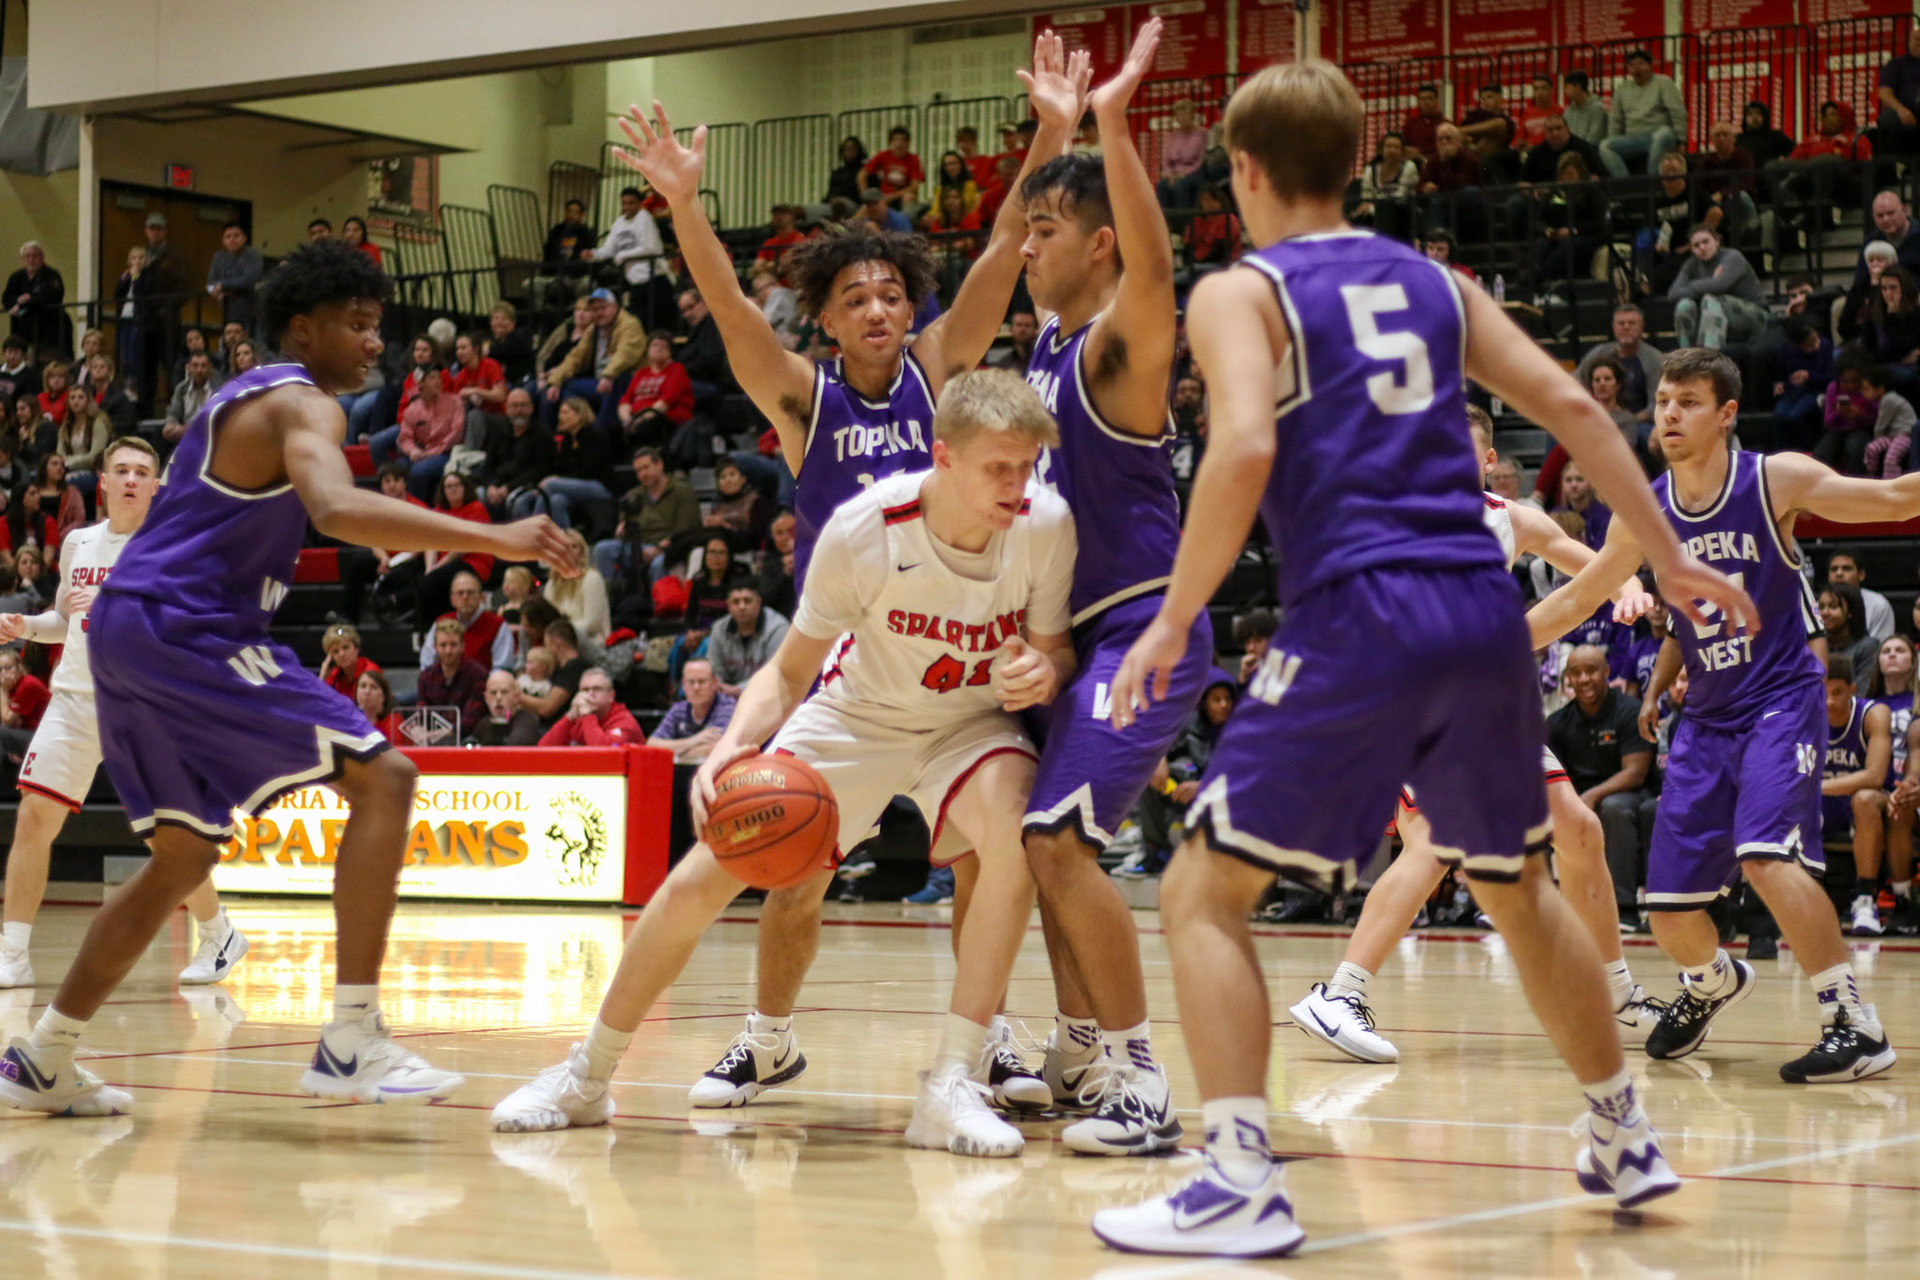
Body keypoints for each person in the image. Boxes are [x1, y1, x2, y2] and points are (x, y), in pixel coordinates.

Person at [1091, 61, 1751, 1256]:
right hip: (1485, 616)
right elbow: (1581, 411)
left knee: (1198, 888)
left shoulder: (1242, 292)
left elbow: (1239, 446)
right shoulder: (1436, 280)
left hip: (1363, 608)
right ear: (1354, 164)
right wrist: (1668, 559)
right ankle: (1620, 1128)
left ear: (1241, 172)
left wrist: (1174, 614)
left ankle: (1237, 1172)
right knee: (1516, 882)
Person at [591, 43, 1082, 1117]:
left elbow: (1003, 243)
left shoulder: (944, 368)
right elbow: (725, 307)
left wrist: (1051, 131)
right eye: (856, 296)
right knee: (794, 854)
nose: (877, 308)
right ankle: (768, 1040)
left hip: (962, 649)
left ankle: (987, 1038)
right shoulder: (807, 401)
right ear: (827, 316)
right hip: (854, 649)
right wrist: (684, 204)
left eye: (891, 292)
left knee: (981, 851)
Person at [0, 239, 575, 1117]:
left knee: (179, 859)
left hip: (128, 628)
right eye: (357, 324)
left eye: (378, 325)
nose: (373, 342)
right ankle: (351, 1038)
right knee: (388, 775)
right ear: (302, 330)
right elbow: (337, 508)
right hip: (184, 625)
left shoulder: (241, 397)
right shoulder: (304, 403)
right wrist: (498, 538)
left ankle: (46, 1054)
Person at [492, 368, 1077, 1160]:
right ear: (943, 456)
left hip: (967, 724)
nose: (1019, 483)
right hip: (856, 716)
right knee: (703, 875)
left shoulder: (1046, 524)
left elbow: (1054, 650)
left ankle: (952, 1081)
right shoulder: (866, 530)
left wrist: (1042, 673)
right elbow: (790, 671)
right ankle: (586, 1074)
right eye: (998, 467)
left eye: (1028, 465)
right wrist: (733, 744)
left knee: (1014, 834)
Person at [1295, 413, 1664, 1066]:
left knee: (1579, 831)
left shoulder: (1511, 517)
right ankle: (1341, 992)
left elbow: (1587, 560)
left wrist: (1629, 584)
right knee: (1434, 841)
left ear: (1488, 459)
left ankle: (1614, 992)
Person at [1011, 17, 1214, 1154]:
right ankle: (1081, 1039)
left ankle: (1144, 1077)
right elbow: (1009, 237)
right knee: (1042, 851)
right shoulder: (1042, 345)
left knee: (1056, 841)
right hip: (1063, 640)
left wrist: (1116, 125)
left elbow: (1158, 267)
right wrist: (1047, 134)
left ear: (1097, 247)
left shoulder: (1115, 351)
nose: (1028, 245)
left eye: (1049, 229)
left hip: (1141, 629)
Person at [1600, 347, 1897, 1085]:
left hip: (1781, 700)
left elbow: (1891, 501)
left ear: (1727, 413)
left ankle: (1853, 1022)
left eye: (1688, 402)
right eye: (1664, 400)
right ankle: (1712, 980)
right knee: (1667, 912)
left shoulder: (1773, 480)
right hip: (1705, 717)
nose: (1669, 413)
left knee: (1765, 857)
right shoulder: (1643, 510)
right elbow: (1633, 604)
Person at [0, 438, 248, 991]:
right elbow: (67, 619)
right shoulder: (77, 544)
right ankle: (12, 954)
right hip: (75, 700)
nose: (132, 479)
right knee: (34, 817)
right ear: (103, 483)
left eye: (143, 472)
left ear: (157, 488)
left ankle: (219, 933)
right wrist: (27, 629)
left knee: (169, 840)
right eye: (121, 470)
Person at [1820, 654, 1895, 939]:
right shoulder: (1805, 715)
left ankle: (1865, 901)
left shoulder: (1874, 714)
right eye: (1823, 692)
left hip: (1871, 803)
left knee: (1864, 798)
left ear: (1853, 689)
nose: (1829, 701)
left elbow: (1874, 776)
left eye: (1837, 692)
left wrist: (1814, 788)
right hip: (1824, 803)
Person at [1866, 635, 1920, 935]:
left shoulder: (1917, 703)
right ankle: (1871, 898)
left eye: (1900, 650)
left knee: (1900, 806)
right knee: (1871, 801)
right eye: (1886, 651)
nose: (1892, 655)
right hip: (1878, 788)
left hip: (1909, 789)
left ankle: (1904, 900)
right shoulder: (1868, 705)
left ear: (1913, 662)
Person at [593, 446, 699, 591]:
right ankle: (609, 598)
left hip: (671, 548)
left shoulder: (682, 491)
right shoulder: (634, 494)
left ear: (659, 465)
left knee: (658, 564)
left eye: (646, 468)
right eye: (638, 471)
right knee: (602, 549)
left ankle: (661, 607)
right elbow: (625, 523)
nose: (642, 474)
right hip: (638, 545)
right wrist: (621, 529)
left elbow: (685, 530)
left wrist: (659, 548)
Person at [542, 288, 645, 433]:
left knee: (615, 384)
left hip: (626, 380)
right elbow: (575, 357)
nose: (598, 313)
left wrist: (608, 375)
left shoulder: (629, 324)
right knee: (557, 390)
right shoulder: (593, 330)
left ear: (615, 307)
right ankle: (562, 436)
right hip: (599, 381)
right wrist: (555, 381)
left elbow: (625, 353)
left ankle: (599, 434)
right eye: (594, 309)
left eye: (603, 308)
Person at [1670, 225, 1769, 351]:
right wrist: (1711, 282)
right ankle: (1688, 359)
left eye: (1706, 242)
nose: (1702, 248)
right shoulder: (1691, 265)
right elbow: (1673, 293)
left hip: (1756, 316)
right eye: (1696, 245)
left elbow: (1720, 285)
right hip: (1715, 315)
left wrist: (1692, 285)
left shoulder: (1732, 257)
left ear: (1717, 241)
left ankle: (1709, 360)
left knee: (1712, 300)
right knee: (1684, 305)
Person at [586, 186, 666, 323]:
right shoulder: (619, 222)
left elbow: (650, 247)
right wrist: (593, 254)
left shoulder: (644, 217)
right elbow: (610, 248)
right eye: (624, 203)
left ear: (639, 204)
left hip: (654, 278)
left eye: (631, 203)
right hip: (634, 280)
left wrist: (623, 256)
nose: (627, 207)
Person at [1576, 306, 1665, 428]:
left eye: (1632, 323)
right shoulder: (1599, 353)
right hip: (1599, 419)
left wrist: (1627, 421)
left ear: (1641, 327)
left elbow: (1656, 403)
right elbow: (1576, 382)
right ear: (1614, 327)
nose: (1626, 327)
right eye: (1621, 323)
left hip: (1639, 423)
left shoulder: (1654, 359)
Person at [1602, 49, 1685, 176]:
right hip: (1633, 139)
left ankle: (1653, 180)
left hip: (1660, 134)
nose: (1636, 69)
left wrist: (1681, 140)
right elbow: (1615, 120)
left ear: (1650, 66)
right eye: (1632, 65)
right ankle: (1625, 183)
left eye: (1641, 64)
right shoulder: (1622, 89)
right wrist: (1615, 139)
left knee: (1661, 135)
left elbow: (1677, 112)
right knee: (1605, 146)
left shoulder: (1664, 83)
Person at [419, 569, 515, 673]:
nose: (465, 597)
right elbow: (427, 663)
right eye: (460, 593)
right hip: (444, 686)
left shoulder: (498, 625)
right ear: (452, 599)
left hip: (483, 686)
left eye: (470, 592)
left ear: (481, 597)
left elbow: (501, 669)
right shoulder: (440, 623)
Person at [704, 581, 787, 696]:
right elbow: (713, 669)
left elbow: (775, 674)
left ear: (758, 602)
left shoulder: (778, 629)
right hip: (725, 695)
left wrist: (737, 690)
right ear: (728, 605)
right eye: (736, 602)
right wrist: (718, 686)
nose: (741, 607)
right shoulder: (718, 629)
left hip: (767, 694)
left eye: (747, 601)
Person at [614, 330, 692, 450]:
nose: (658, 349)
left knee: (645, 427)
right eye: (655, 345)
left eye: (663, 346)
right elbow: (626, 400)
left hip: (664, 418)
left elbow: (667, 400)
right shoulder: (641, 373)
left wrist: (640, 419)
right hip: (637, 418)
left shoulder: (677, 369)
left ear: (670, 351)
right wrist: (627, 420)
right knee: (611, 428)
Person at [1769, 318, 1834, 451]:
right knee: (1780, 415)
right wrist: (1778, 384)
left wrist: (1809, 376)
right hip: (1793, 392)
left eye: (1816, 340)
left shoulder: (1825, 346)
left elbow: (1831, 377)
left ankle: (1807, 450)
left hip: (1815, 390)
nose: (1815, 346)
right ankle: (1781, 453)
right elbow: (1780, 375)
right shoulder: (1786, 350)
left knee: (1796, 416)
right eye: (1809, 345)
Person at [415, 617, 490, 731]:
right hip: (431, 740)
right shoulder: (426, 677)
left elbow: (470, 723)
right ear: (435, 647)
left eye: (453, 645)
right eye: (443, 645)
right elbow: (421, 716)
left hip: (466, 741)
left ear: (462, 646)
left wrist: (437, 734)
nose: (448, 651)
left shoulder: (478, 675)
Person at [537, 666, 640, 747]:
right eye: (585, 690)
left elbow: (605, 754)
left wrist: (587, 716)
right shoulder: (577, 718)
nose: (590, 694)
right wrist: (570, 717)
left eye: (597, 689)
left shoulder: (624, 721)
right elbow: (542, 749)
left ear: (611, 696)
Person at [545, 529, 610, 647]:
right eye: (563, 547)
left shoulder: (592, 578)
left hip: (591, 642)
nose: (568, 551)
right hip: (557, 641)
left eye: (573, 546)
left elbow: (592, 624)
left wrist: (562, 631)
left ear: (582, 551)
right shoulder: (551, 584)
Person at [1352, 131, 1418, 239]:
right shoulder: (1370, 170)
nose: (1391, 150)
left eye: (1396, 147)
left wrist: (1375, 205)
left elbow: (1400, 196)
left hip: (1402, 213)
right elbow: (1367, 196)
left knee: (1385, 212)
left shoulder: (1408, 167)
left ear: (1402, 151)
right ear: (1381, 150)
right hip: (1376, 213)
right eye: (1388, 146)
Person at [4, 242, 65, 357]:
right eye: (27, 256)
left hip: (48, 330)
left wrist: (27, 301)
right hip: (22, 331)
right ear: (23, 259)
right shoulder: (16, 277)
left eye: (35, 256)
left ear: (42, 257)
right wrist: (18, 300)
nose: (31, 259)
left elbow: (52, 297)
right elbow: (6, 298)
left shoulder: (51, 275)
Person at [205, 222, 263, 333]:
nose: (232, 239)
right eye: (228, 236)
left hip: (251, 308)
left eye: (236, 236)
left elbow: (248, 280)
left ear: (244, 238)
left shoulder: (252, 255)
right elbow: (210, 282)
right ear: (223, 240)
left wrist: (222, 285)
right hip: (226, 308)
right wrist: (213, 290)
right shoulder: (219, 256)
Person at [1827, 549, 1895, 642]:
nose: (1839, 574)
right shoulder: (1817, 604)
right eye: (1834, 569)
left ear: (1861, 575)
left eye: (1846, 568)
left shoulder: (1878, 605)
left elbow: (1880, 648)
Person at [162, 350, 223, 454]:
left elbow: (219, 418)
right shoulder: (181, 388)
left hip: (210, 436)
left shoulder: (219, 387)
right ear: (188, 367)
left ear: (210, 367)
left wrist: (190, 429)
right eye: (195, 366)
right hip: (185, 437)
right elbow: (173, 412)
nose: (199, 370)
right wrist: (171, 424)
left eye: (203, 366)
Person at [1156, 98, 1209, 210]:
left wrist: (1182, 174)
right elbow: (1166, 160)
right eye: (1179, 115)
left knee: (1181, 185)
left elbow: (1200, 160)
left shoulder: (1202, 134)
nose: (1182, 118)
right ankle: (1166, 223)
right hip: (1174, 174)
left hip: (1194, 173)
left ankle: (1184, 225)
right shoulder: (1174, 135)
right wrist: (1169, 174)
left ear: (1192, 116)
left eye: (1185, 114)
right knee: (1162, 184)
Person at [470, 669, 543, 746]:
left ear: (516, 696)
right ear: (486, 698)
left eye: (504, 692)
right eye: (493, 693)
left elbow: (512, 749)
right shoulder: (483, 724)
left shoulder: (528, 721)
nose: (498, 697)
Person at [861, 126, 925, 210]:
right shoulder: (883, 155)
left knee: (909, 198)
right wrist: (866, 195)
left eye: (903, 140)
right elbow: (861, 175)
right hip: (883, 195)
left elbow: (914, 186)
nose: (899, 143)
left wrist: (893, 196)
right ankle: (850, 222)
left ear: (908, 143)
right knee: (867, 207)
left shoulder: (913, 159)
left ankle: (905, 222)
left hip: (902, 196)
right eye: (896, 140)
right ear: (890, 142)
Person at [317, 622, 380, 703]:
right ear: (331, 657)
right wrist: (322, 677)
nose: (341, 654)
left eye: (346, 647)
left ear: (357, 649)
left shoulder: (371, 671)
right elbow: (317, 705)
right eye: (335, 651)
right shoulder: (334, 676)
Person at [544, 199, 597, 267]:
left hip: (577, 271)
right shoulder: (556, 231)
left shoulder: (586, 233)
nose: (571, 215)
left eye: (576, 212)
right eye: (569, 211)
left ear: (581, 215)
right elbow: (548, 253)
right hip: (555, 269)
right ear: (565, 212)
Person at [987, 309, 1040, 375]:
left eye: (1027, 325)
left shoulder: (1041, 359)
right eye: (1018, 325)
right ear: (1011, 330)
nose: (1022, 330)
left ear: (1035, 330)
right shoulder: (1004, 363)